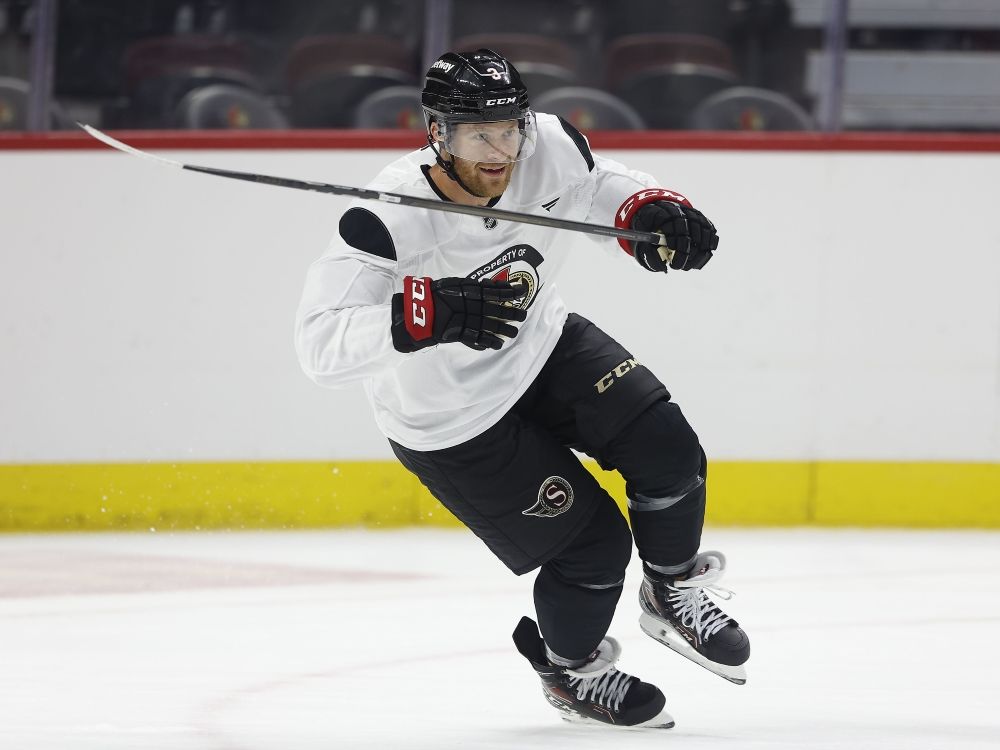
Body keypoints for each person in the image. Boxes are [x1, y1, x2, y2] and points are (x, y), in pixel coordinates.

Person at [295, 48, 749, 729]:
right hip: (453, 418)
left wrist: (651, 211)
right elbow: (319, 347)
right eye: (479, 134)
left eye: (510, 128)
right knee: (594, 546)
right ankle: (571, 671)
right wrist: (425, 319)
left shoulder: (550, 145)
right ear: (438, 133)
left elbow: (598, 189)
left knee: (667, 446)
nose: (500, 149)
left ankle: (672, 588)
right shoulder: (387, 219)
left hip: (543, 346)